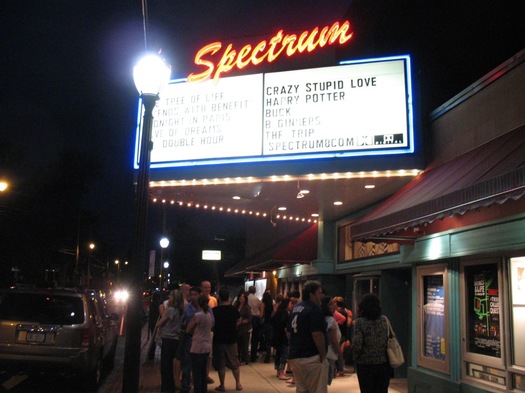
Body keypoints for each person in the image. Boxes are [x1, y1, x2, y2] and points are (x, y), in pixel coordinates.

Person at [287, 280, 328, 393]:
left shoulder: (296, 308)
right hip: (311, 356)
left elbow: (288, 332)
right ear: (311, 294)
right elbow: (317, 334)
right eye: (319, 293)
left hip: (295, 355)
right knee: (317, 389)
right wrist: (323, 355)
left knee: (301, 389)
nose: (321, 296)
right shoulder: (314, 309)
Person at [352, 293, 391, 393]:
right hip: (383, 363)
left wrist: (355, 357)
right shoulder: (384, 320)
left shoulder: (360, 322)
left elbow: (357, 344)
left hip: (365, 365)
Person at [212, 287, 243, 392]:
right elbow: (239, 320)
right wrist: (234, 326)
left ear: (219, 298)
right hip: (231, 339)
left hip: (219, 339)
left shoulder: (215, 310)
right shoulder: (233, 309)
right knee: (234, 363)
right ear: (229, 297)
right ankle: (238, 384)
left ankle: (222, 385)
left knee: (221, 364)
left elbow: (212, 324)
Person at [157, 289, 184, 392]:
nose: (169, 298)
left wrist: (164, 310)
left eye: (170, 296)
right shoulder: (180, 310)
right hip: (175, 339)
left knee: (165, 366)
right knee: (170, 365)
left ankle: (166, 389)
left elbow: (160, 323)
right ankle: (170, 388)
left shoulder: (171, 310)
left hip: (168, 339)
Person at [187, 294, 214, 393]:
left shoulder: (198, 315)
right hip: (206, 346)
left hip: (197, 346)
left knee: (197, 373)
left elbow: (188, 329)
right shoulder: (208, 315)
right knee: (203, 373)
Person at [179, 286, 201, 393]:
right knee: (187, 364)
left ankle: (198, 387)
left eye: (195, 294)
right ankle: (185, 387)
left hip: (200, 339)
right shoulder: (187, 307)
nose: (193, 297)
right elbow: (182, 322)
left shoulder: (205, 309)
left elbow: (212, 322)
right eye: (191, 294)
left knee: (199, 365)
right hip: (189, 338)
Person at [321, 296, 342, 386]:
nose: (334, 305)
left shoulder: (323, 318)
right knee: (324, 382)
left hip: (324, 353)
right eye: (331, 304)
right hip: (329, 354)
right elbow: (333, 341)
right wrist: (340, 354)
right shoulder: (330, 320)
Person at [201, 280, 218, 384]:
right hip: (200, 331)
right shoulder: (198, 300)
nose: (207, 289)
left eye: (209, 287)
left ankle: (206, 375)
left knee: (209, 355)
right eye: (205, 287)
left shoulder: (213, 300)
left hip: (210, 331)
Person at [271, 297, 291, 380]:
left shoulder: (278, 312)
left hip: (276, 335)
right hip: (282, 336)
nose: (291, 305)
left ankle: (278, 371)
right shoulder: (285, 313)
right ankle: (282, 372)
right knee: (284, 353)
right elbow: (284, 324)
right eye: (290, 303)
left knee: (278, 354)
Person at [233, 291, 252, 365]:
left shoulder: (247, 307)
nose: (241, 298)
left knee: (245, 344)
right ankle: (238, 358)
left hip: (245, 328)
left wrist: (242, 322)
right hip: (237, 328)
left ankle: (245, 359)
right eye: (240, 296)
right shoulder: (236, 306)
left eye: (243, 297)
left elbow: (250, 318)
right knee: (238, 344)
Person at [247, 286, 262, 362]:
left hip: (248, 318)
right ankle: (253, 355)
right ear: (255, 291)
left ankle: (245, 355)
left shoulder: (247, 298)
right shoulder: (256, 299)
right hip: (255, 318)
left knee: (247, 338)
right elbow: (261, 307)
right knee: (255, 338)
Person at [260, 291, 274, 363]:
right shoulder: (271, 304)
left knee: (265, 339)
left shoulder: (263, 304)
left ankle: (266, 356)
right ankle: (268, 356)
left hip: (265, 323)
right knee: (269, 339)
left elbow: (261, 314)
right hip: (270, 323)